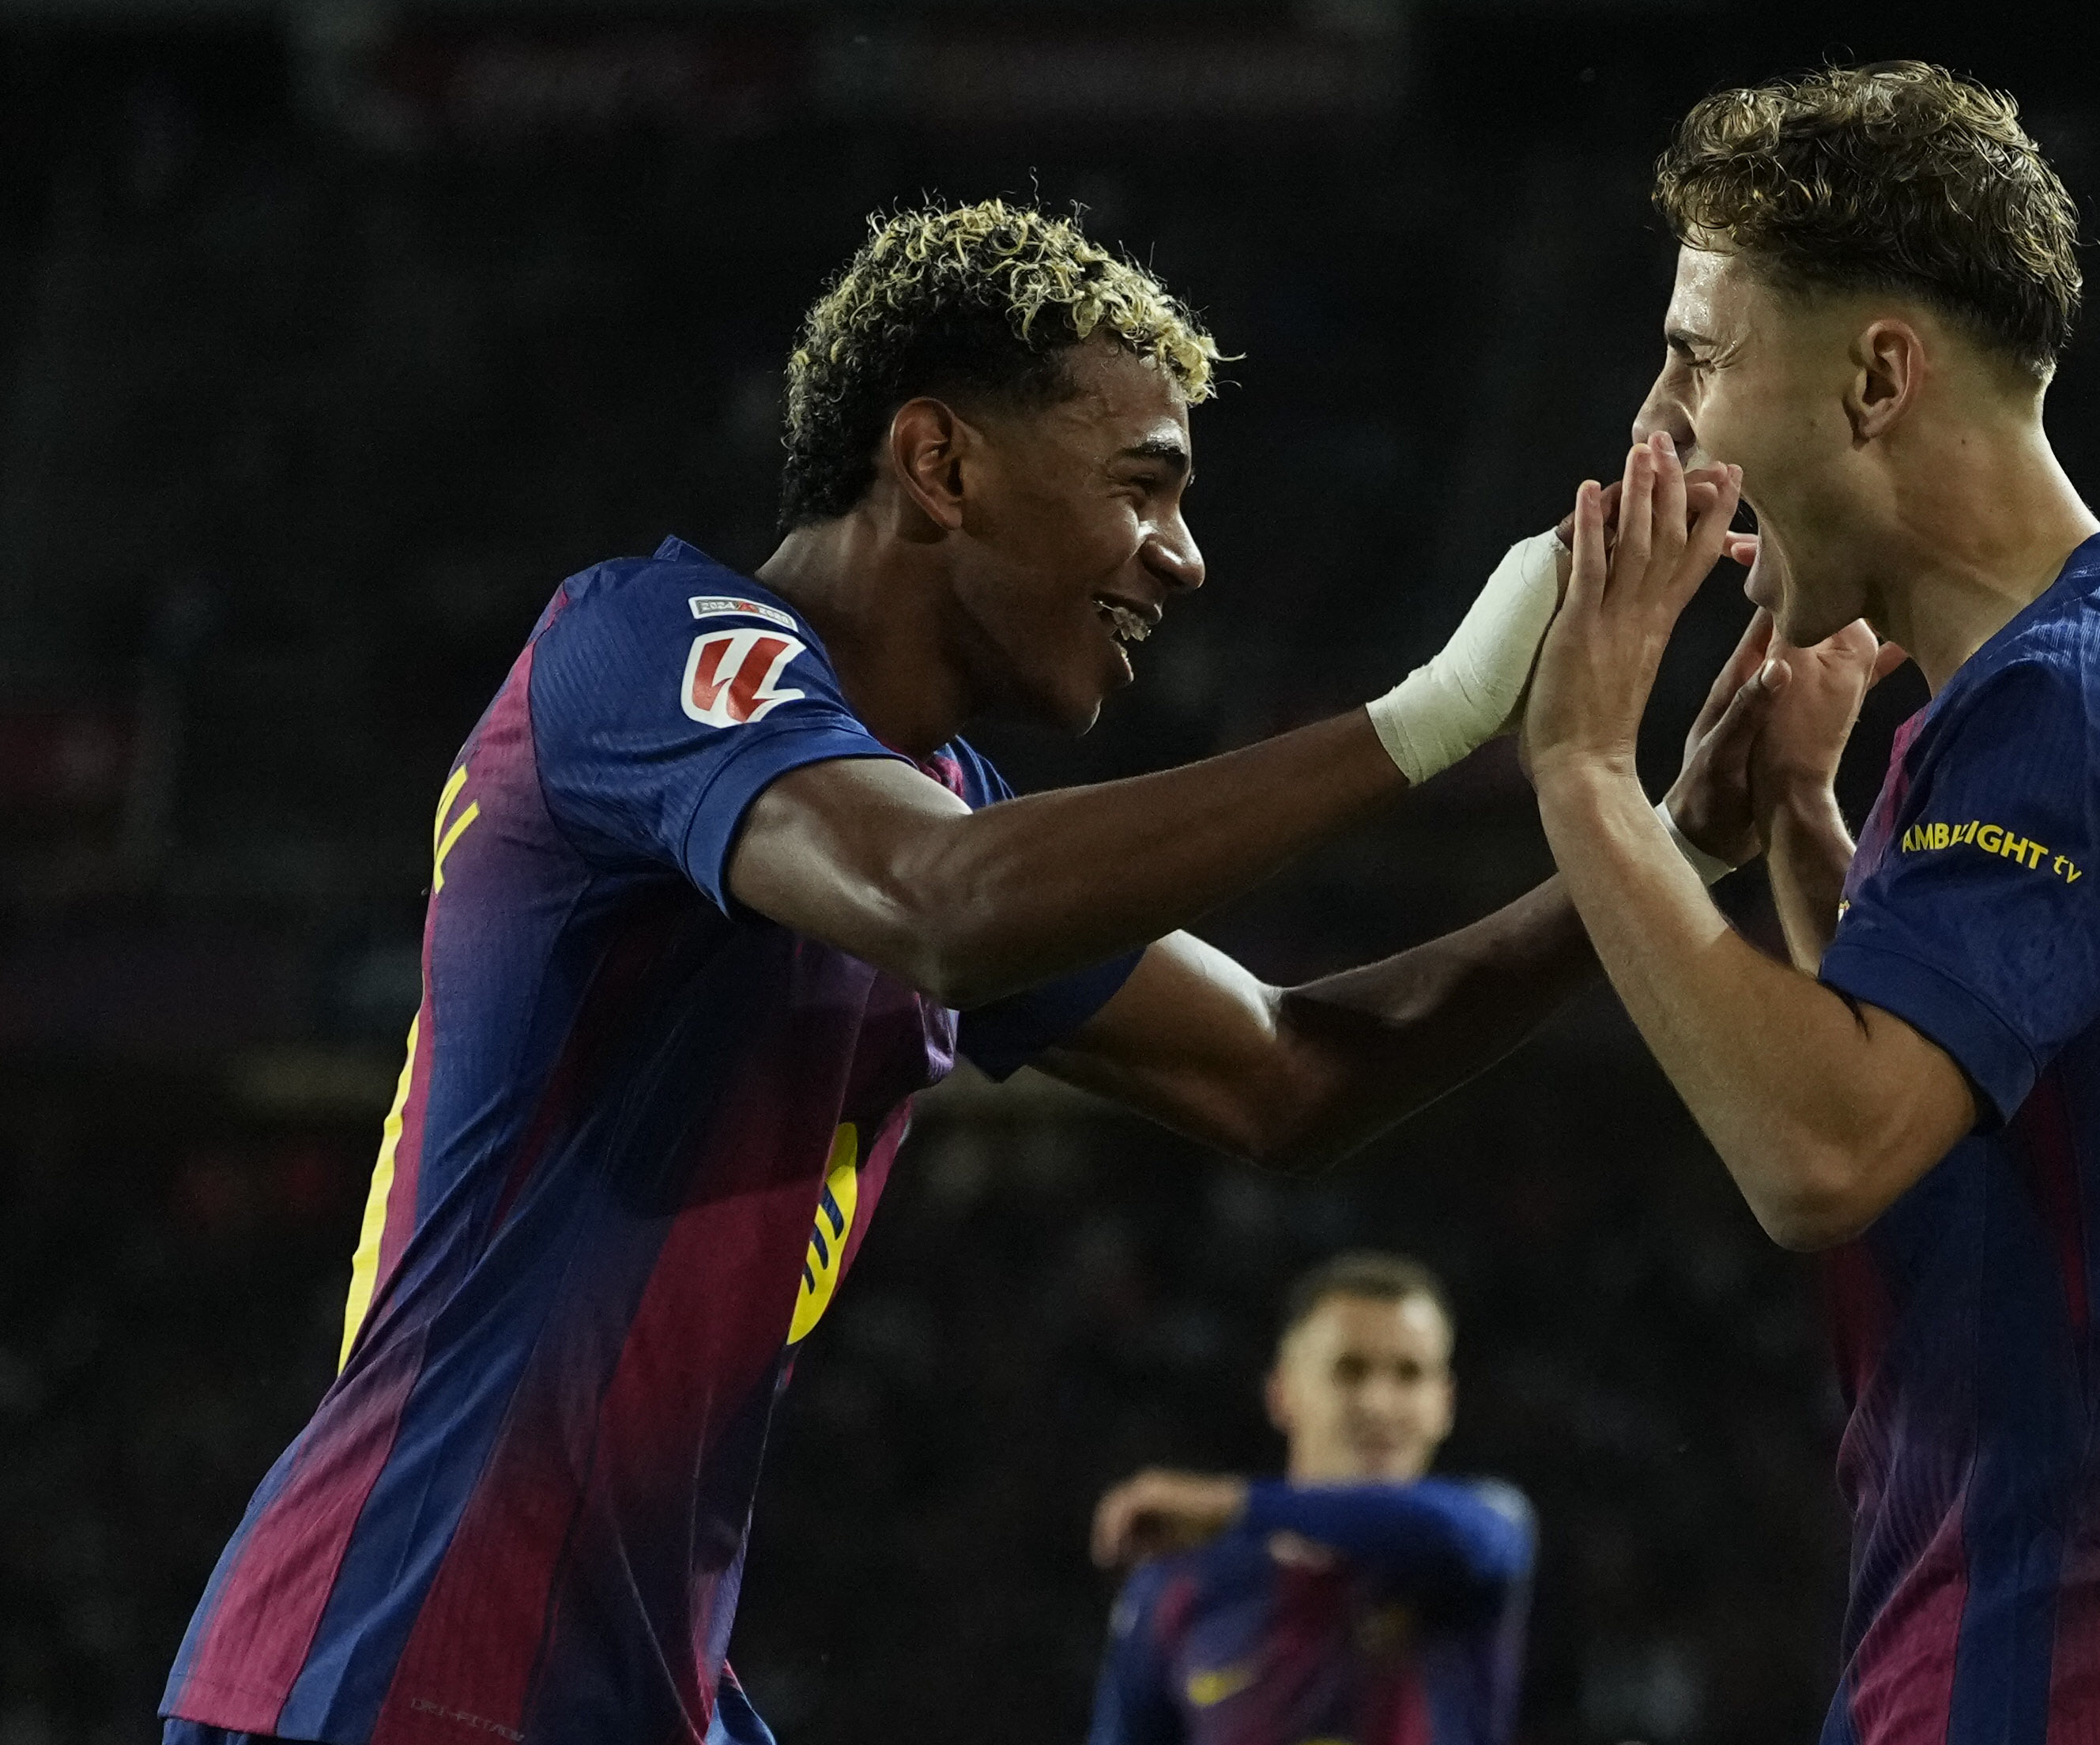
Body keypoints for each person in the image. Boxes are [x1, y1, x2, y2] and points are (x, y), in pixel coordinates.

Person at [158, 200, 1740, 1745]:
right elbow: (939, 905)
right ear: (939, 463)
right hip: (386, 1671)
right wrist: (1434, 720)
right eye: (1146, 486)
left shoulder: (948, 808)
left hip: (633, 1688)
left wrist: (1673, 848)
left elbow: (1287, 1074)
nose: (1183, 560)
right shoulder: (643, 647)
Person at [1518, 63, 2100, 1739]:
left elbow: (1823, 1151)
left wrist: (1583, 778)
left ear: (1879, 376)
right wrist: (1803, 834)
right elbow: (1958, 1105)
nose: (1658, 422)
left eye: (1700, 354)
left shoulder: (2082, 710)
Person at [1085, 1253, 1532, 1745]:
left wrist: (1231, 1506)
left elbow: (1452, 1534)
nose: (1379, 1403)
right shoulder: (1179, 1584)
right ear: (1282, 1393)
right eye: (1350, 1370)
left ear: (1444, 1405)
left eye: (1409, 1374)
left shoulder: (1482, 1530)